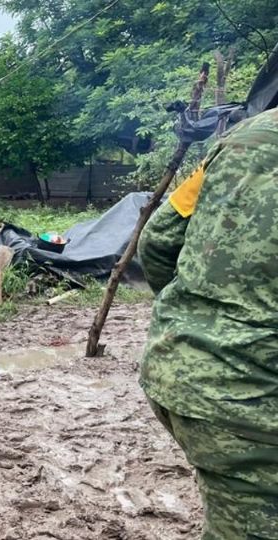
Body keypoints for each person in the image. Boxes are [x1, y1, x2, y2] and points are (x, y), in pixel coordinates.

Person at [137, 108, 278, 540]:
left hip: (184, 369)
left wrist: (198, 319)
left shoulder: (249, 134)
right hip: (252, 396)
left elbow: (157, 242)